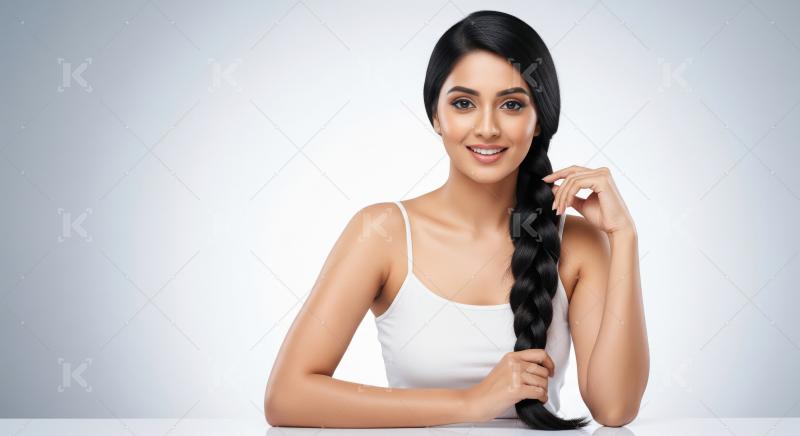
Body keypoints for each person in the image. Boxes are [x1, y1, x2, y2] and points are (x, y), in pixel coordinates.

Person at [264, 9, 649, 429]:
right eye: (464, 103)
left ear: (539, 120)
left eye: (512, 104)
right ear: (436, 115)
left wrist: (623, 235)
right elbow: (287, 397)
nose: (487, 128)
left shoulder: (578, 243)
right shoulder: (382, 234)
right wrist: (470, 402)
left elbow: (615, 410)